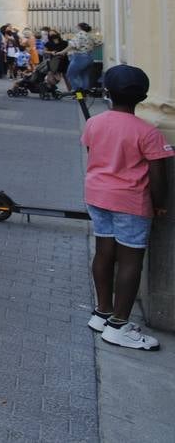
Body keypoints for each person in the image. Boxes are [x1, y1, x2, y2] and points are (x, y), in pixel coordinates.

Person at [82, 65, 172, 350]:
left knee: (104, 252)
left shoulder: (94, 123)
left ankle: (102, 313)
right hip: (131, 201)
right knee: (131, 260)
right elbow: (158, 175)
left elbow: (92, 152)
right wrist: (160, 205)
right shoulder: (149, 133)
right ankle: (119, 326)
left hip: (97, 196)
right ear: (143, 96)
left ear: (107, 92)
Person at [66, 22, 99, 94]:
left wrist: (62, 52)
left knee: (71, 74)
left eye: (76, 27)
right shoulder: (90, 35)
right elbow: (98, 43)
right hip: (89, 57)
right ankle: (85, 93)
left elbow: (73, 45)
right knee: (85, 75)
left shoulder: (79, 34)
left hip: (80, 57)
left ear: (79, 27)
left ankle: (78, 92)